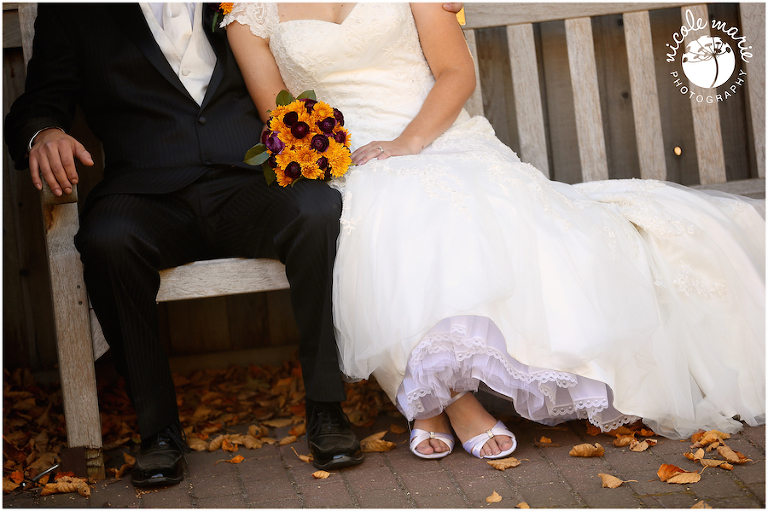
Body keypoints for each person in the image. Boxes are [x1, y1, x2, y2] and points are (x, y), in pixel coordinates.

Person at [224, 2, 766, 461]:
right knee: (382, 210)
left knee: (449, 204)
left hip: (434, 134)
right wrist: (333, 157)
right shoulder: (247, 9)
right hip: (345, 154)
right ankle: (453, 402)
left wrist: (409, 144)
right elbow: (280, 111)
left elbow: (456, 72)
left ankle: (433, 403)